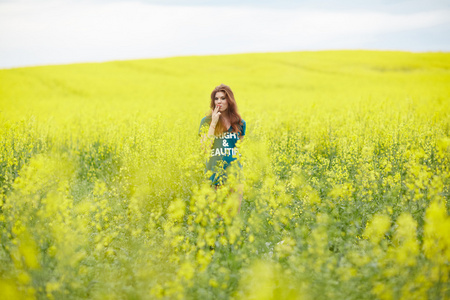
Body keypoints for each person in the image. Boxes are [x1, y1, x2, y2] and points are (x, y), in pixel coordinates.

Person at [198, 84, 246, 212]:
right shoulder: (206, 121)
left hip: (235, 176)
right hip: (215, 175)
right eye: (216, 98)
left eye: (223, 98)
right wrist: (213, 122)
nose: (219, 101)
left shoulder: (240, 123)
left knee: (233, 219)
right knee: (217, 218)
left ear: (229, 101)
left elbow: (238, 150)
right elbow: (205, 148)